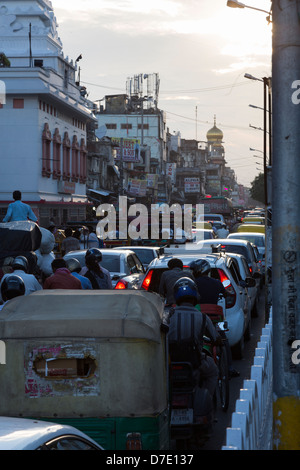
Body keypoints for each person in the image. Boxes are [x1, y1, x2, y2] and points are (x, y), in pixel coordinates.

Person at [167, 277, 219, 398]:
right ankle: (207, 399)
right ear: (195, 296)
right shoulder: (203, 317)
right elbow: (215, 339)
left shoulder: (167, 315)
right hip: (195, 362)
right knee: (213, 372)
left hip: (170, 362)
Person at [190, 258, 239, 378]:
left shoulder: (192, 283)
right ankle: (229, 368)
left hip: (198, 318)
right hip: (215, 317)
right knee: (223, 340)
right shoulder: (216, 282)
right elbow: (226, 294)